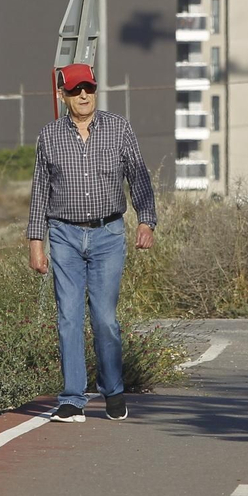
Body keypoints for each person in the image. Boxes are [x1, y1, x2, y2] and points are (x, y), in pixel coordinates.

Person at [27, 63, 157, 422]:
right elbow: (39, 191)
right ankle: (72, 398)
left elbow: (139, 177)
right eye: (75, 90)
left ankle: (113, 391)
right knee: (68, 317)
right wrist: (36, 242)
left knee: (104, 319)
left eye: (88, 88)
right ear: (62, 95)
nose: (83, 95)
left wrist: (146, 220)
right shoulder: (49, 136)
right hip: (64, 235)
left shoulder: (119, 128)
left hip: (108, 234)